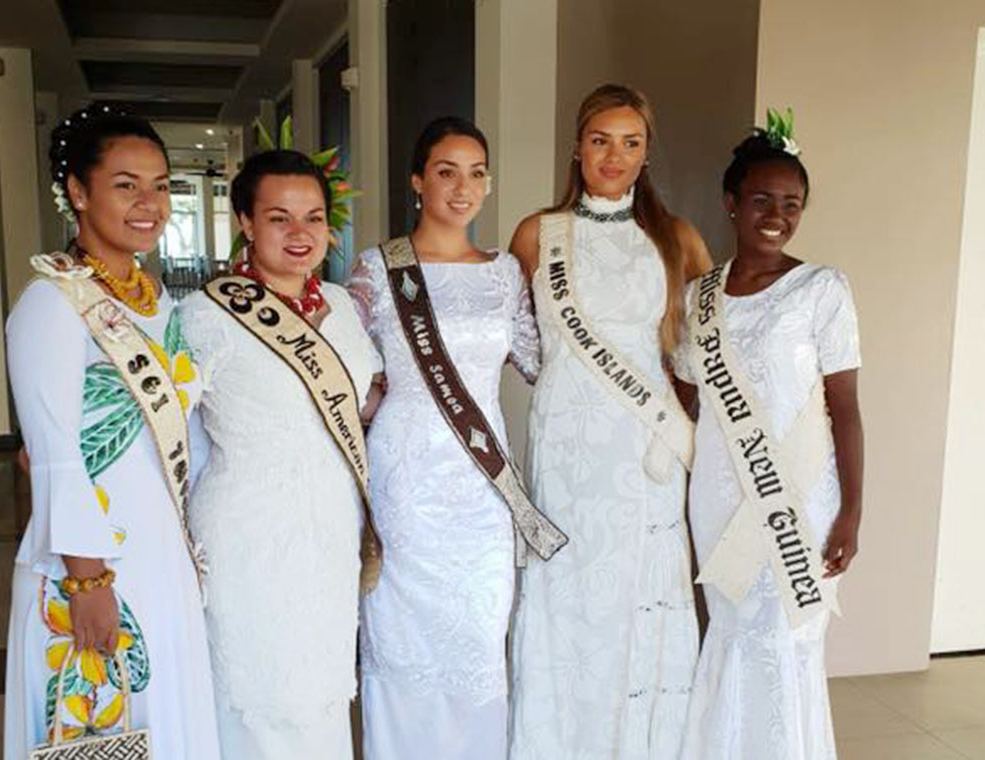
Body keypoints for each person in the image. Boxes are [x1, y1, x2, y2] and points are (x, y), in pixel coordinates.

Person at [3, 105, 220, 759]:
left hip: (161, 552)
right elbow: (52, 454)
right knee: (102, 727)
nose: (148, 203)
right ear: (77, 191)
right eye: (126, 185)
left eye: (160, 186)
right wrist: (87, 583)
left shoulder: (154, 299)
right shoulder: (51, 303)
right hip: (94, 564)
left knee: (165, 719)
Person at [507, 83, 713, 759]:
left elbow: (703, 352)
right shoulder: (537, 234)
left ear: (647, 152)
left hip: (644, 452)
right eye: (600, 140)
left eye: (631, 142)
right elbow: (517, 342)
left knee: (638, 596)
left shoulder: (675, 238)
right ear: (577, 147)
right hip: (565, 449)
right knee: (568, 596)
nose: (614, 156)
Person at [348, 116, 553, 760]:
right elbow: (343, 370)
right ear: (417, 181)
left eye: (476, 173)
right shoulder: (378, 270)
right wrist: (373, 399)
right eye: (446, 172)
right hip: (405, 484)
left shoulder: (504, 274)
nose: (463, 188)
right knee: (402, 645)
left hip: (482, 490)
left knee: (478, 643)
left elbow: (542, 363)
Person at [177, 149, 382, 759]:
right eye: (278, 218)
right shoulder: (205, 315)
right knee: (257, 694)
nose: (300, 233)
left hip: (330, 528)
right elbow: (168, 427)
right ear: (245, 221)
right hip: (247, 531)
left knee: (319, 693)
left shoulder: (341, 307)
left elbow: (360, 402)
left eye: (313, 217)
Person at [672, 113, 864, 760]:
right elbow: (686, 399)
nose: (777, 215)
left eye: (791, 203)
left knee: (787, 637)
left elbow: (846, 409)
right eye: (762, 199)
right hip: (718, 495)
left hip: (800, 497)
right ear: (730, 202)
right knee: (730, 633)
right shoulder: (697, 298)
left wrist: (851, 512)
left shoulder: (822, 290)